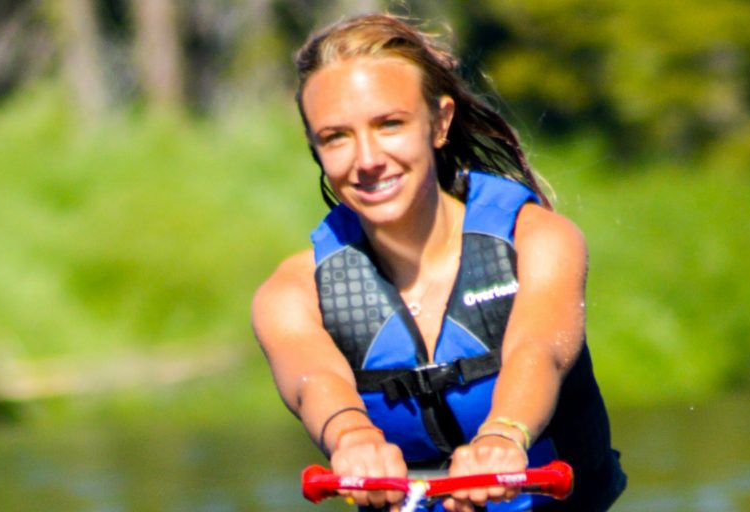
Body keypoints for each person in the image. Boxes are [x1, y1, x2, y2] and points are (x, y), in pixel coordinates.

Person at [252, 13, 626, 512]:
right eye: (336, 137)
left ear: (440, 123)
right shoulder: (293, 294)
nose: (367, 159)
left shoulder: (538, 242)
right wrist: (351, 436)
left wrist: (504, 434)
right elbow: (314, 381)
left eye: (389, 124)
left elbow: (539, 350)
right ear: (316, 151)